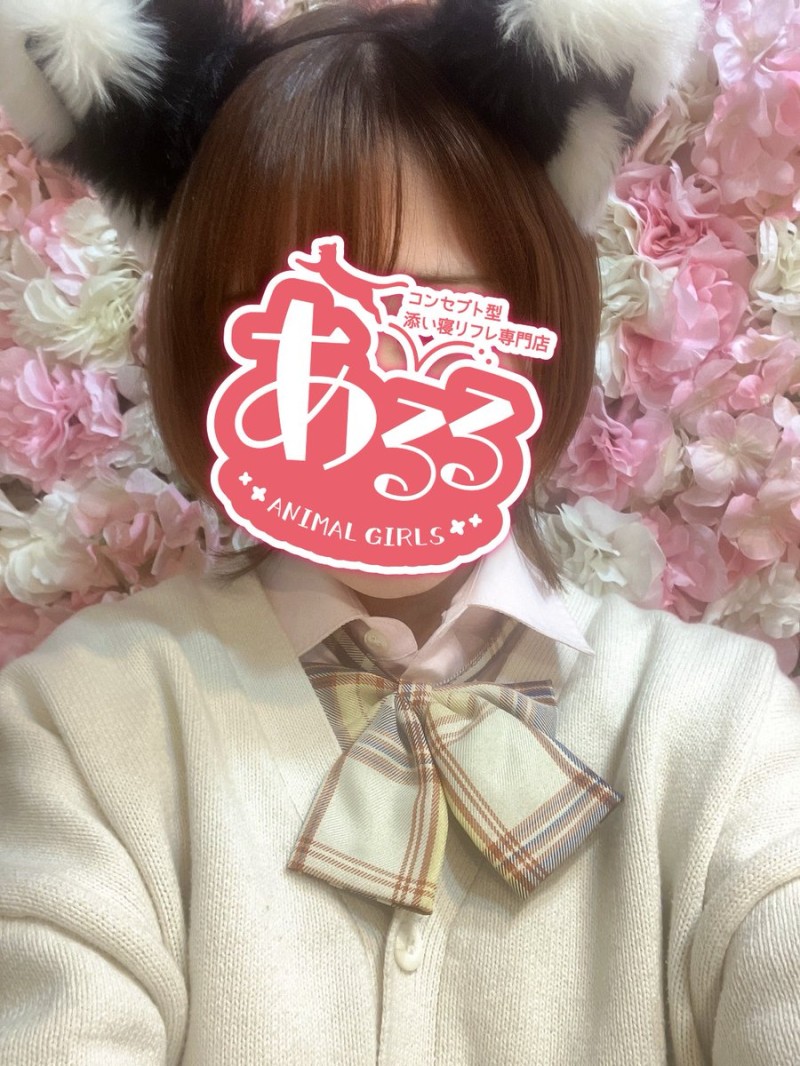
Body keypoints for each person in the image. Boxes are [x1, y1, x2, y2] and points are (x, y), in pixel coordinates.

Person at [0, 1, 799, 1063]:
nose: (373, 386)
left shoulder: (722, 729)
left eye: (435, 318)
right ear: (207, 354)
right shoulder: (80, 725)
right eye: (301, 339)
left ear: (541, 327)